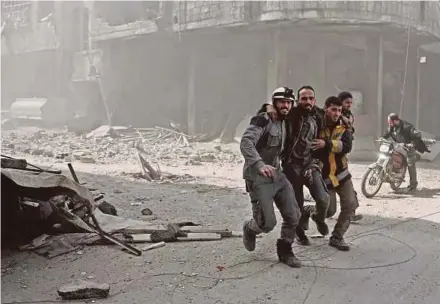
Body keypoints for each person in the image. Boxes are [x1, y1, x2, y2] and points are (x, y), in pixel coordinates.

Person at [240, 87, 302, 268]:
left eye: (289, 102)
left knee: (293, 215)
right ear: (274, 102)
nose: (286, 106)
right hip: (258, 178)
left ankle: (285, 251)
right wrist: (259, 164)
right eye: (282, 102)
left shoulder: (284, 119)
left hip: (277, 175)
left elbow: (310, 110)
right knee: (267, 224)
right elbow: (246, 142)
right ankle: (250, 227)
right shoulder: (263, 119)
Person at [280, 86, 330, 246]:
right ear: (298, 100)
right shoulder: (290, 115)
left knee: (323, 199)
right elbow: (273, 110)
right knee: (297, 205)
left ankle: (317, 217)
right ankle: (299, 232)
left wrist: (325, 144)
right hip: (292, 165)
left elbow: (338, 115)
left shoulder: (320, 115)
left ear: (314, 100)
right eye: (304, 98)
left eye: (310, 98)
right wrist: (266, 107)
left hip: (311, 164)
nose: (307, 101)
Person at [308, 96, 358, 250]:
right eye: (334, 110)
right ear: (326, 109)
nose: (337, 113)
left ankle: (337, 237)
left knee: (350, 205)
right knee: (329, 212)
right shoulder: (316, 123)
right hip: (324, 177)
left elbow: (347, 146)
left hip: (342, 175)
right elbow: (307, 107)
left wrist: (326, 144)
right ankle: (308, 211)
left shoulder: (344, 126)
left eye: (339, 110)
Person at [382, 113, 430, 191]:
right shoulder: (392, 127)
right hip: (399, 145)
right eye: (389, 122)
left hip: (409, 147)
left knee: (410, 163)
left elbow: (417, 136)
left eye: (390, 122)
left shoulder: (407, 127)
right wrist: (382, 138)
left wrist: (412, 144)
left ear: (395, 121)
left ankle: (413, 184)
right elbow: (386, 134)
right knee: (390, 155)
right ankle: (393, 174)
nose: (389, 123)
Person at [337, 91, 363, 222]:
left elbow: (350, 129)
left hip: (342, 155)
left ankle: (350, 211)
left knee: (347, 186)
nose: (349, 105)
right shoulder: (334, 114)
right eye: (347, 102)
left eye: (351, 103)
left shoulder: (349, 115)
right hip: (330, 156)